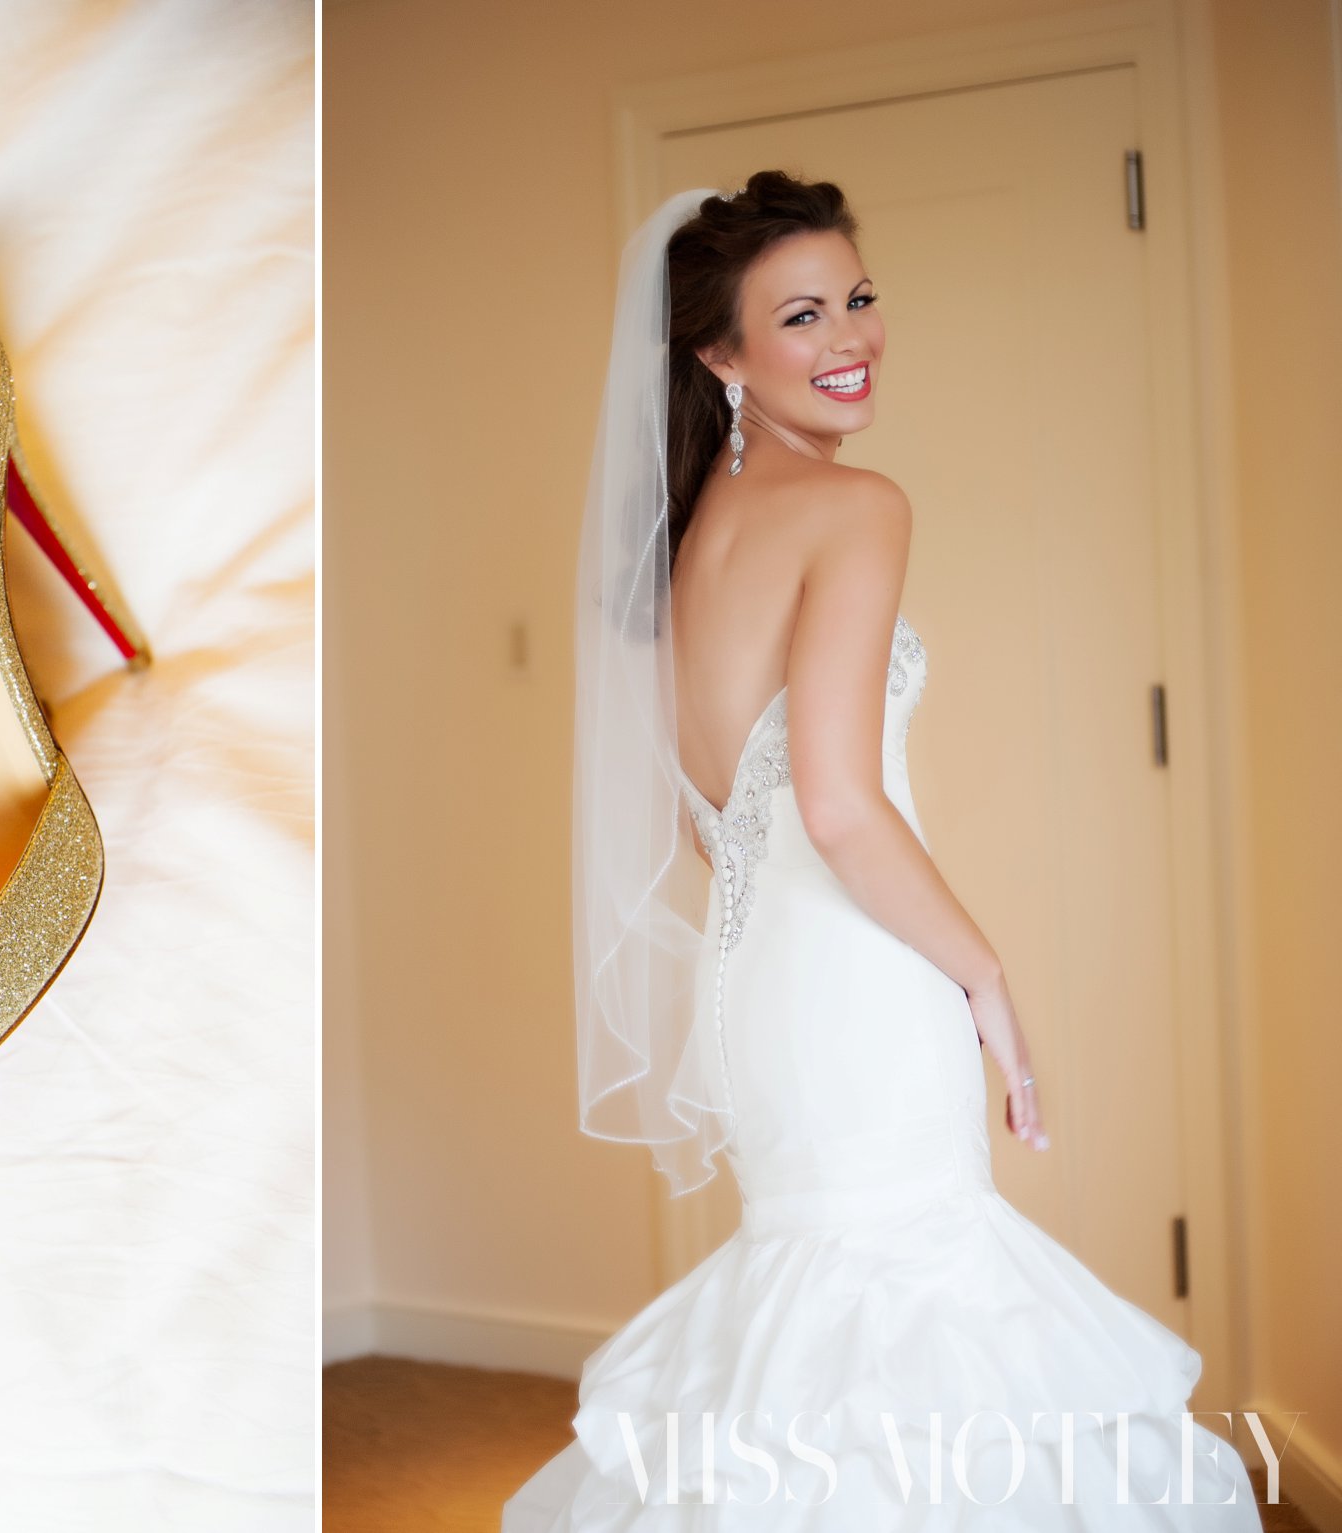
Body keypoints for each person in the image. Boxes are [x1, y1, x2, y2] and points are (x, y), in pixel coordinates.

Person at [503, 171, 1263, 1530]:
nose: (851, 337)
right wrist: (984, 975)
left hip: (757, 993)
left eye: (857, 297)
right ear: (720, 355)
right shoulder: (857, 508)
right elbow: (840, 806)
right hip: (857, 987)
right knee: (915, 1308)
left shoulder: (687, 542)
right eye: (802, 316)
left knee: (816, 1320)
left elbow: (710, 819)